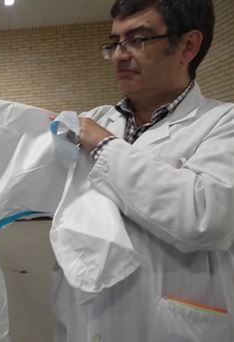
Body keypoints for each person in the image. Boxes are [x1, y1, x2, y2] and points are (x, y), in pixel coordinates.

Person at [51, 0, 233, 341]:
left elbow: (205, 216)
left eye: (138, 40)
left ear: (188, 46)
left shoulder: (223, 123)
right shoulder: (94, 120)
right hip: (87, 318)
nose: (120, 55)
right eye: (115, 42)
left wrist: (105, 147)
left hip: (172, 322)